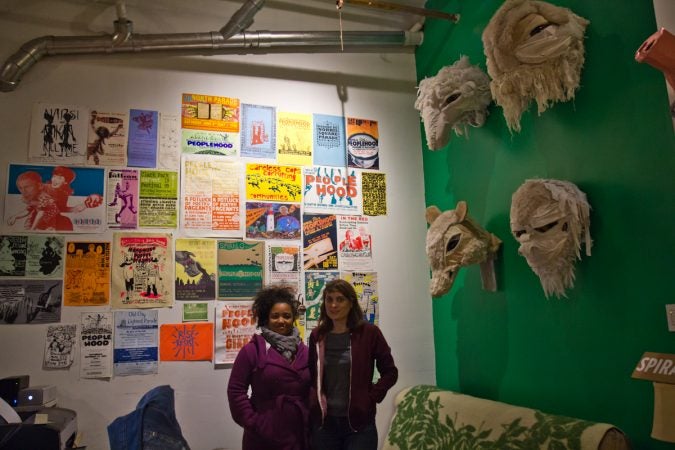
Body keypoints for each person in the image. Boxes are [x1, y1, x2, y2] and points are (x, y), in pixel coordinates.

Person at [308, 279, 398, 450]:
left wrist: (371, 397)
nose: (333, 305)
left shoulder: (369, 333)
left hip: (359, 424)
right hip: (325, 424)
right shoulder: (317, 335)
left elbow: (390, 372)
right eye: (329, 299)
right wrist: (313, 401)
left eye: (340, 299)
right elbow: (312, 376)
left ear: (351, 303)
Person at [227, 285, 311, 450]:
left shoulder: (305, 351)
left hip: (299, 433)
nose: (281, 321)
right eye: (275, 316)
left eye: (286, 316)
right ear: (266, 318)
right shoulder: (252, 350)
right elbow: (236, 391)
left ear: (293, 318)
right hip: (263, 436)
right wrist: (254, 422)